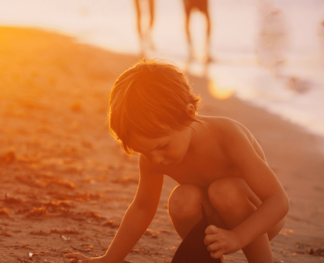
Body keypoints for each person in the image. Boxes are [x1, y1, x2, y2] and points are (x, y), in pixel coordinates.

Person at [65, 60, 288, 263]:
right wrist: (109, 259)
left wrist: (238, 237)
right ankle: (205, 260)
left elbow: (278, 201)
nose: (157, 159)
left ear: (189, 113)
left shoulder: (226, 136)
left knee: (224, 190)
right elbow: (142, 208)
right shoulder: (153, 156)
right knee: (182, 198)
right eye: (146, 152)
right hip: (213, 229)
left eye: (161, 146)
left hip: (260, 221)